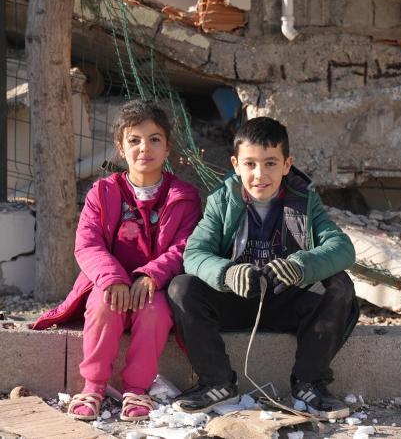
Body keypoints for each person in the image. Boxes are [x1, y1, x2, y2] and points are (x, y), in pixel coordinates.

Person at [168, 117, 359, 419]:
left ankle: (310, 384)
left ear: (287, 164)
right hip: (237, 300)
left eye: (271, 163)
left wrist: (301, 265)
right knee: (182, 287)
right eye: (250, 164)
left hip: (287, 299)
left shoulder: (304, 200)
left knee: (338, 284)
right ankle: (216, 382)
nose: (260, 175)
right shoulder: (222, 200)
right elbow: (194, 254)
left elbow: (343, 248)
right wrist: (227, 273)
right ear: (235, 164)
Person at [33, 99, 201, 421]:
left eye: (154, 139)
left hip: (154, 287)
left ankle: (137, 389)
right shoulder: (103, 192)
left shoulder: (183, 197)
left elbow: (185, 247)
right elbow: (87, 244)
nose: (144, 148)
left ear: (167, 148)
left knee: (155, 311)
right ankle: (93, 386)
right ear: (121, 148)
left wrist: (151, 275)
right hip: (109, 283)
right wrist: (113, 278)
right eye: (134, 140)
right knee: (101, 305)